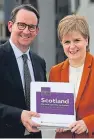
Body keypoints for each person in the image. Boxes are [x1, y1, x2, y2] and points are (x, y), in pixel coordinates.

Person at [0, 4, 47, 138]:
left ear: (36, 31)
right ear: (10, 26)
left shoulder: (39, 62)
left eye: (31, 27)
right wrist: (19, 114)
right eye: (21, 25)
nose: (26, 31)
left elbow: (43, 100)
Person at [49, 14, 94, 138]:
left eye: (77, 40)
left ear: (86, 40)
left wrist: (88, 123)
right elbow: (52, 108)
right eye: (67, 42)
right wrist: (54, 121)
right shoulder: (55, 72)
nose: (72, 46)